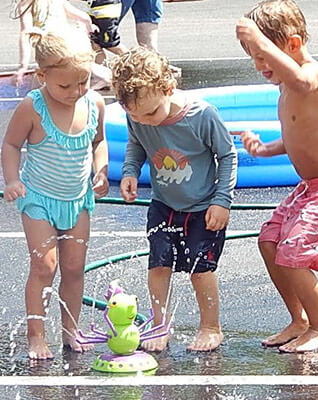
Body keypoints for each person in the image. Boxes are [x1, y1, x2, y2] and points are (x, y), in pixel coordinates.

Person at [236, 0, 318, 353]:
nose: (259, 65)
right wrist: (264, 149)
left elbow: (303, 81)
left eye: (263, 55)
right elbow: (297, 136)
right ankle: (300, 319)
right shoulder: (286, 87)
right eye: (254, 57)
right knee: (269, 241)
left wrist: (261, 42)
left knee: (293, 253)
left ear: (292, 45)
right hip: (310, 188)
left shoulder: (312, 76)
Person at [111, 46, 237, 352]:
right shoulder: (139, 116)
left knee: (200, 268)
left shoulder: (201, 115)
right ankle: (159, 325)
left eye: (151, 112)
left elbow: (227, 155)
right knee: (158, 264)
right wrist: (130, 171)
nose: (146, 121)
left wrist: (222, 200)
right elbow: (136, 144)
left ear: (169, 88)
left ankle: (211, 327)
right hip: (164, 204)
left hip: (203, 206)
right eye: (136, 115)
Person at [1, 29, 109, 360]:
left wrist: (101, 169)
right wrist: (12, 180)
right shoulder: (32, 108)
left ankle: (71, 329)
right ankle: (36, 334)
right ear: (42, 76)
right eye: (65, 85)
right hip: (39, 199)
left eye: (83, 82)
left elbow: (99, 142)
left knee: (75, 267)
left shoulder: (95, 103)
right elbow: (11, 144)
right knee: (45, 267)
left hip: (77, 200)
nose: (76, 92)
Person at [11, 0, 112, 90]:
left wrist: (23, 66)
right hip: (69, 42)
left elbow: (25, 34)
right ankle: (94, 85)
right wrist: (89, 29)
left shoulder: (25, 5)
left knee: (42, 85)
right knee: (83, 67)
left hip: (49, 48)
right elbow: (84, 18)